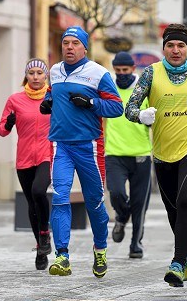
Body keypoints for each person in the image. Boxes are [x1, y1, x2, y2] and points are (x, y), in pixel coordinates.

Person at [125, 23, 187, 287]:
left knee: (185, 200)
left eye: (181, 45)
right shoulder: (150, 73)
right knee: (173, 211)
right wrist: (140, 115)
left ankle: (178, 263)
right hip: (162, 152)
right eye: (171, 45)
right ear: (164, 48)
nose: (176, 50)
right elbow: (130, 105)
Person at [40, 26, 123, 278]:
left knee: (94, 203)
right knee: (60, 197)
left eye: (75, 43)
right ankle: (62, 256)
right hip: (61, 145)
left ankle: (100, 249)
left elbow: (116, 107)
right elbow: (52, 94)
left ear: (84, 48)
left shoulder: (98, 73)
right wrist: (48, 101)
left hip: (89, 146)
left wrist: (91, 103)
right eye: (66, 42)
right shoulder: (54, 71)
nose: (69, 47)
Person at [0, 58, 52, 270]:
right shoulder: (15, 100)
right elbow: (2, 130)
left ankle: (45, 234)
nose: (36, 77)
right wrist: (9, 123)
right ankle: (40, 247)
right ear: (26, 76)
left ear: (46, 76)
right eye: (32, 73)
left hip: (48, 154)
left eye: (40, 73)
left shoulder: (53, 97)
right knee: (31, 203)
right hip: (24, 158)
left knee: (39, 191)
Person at [105, 51, 152, 259]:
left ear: (133, 69)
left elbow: (155, 115)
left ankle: (136, 243)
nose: (122, 74)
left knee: (140, 203)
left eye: (125, 70)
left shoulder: (143, 90)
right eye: (118, 71)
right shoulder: (109, 89)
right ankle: (121, 217)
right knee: (116, 193)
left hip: (141, 153)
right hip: (114, 152)